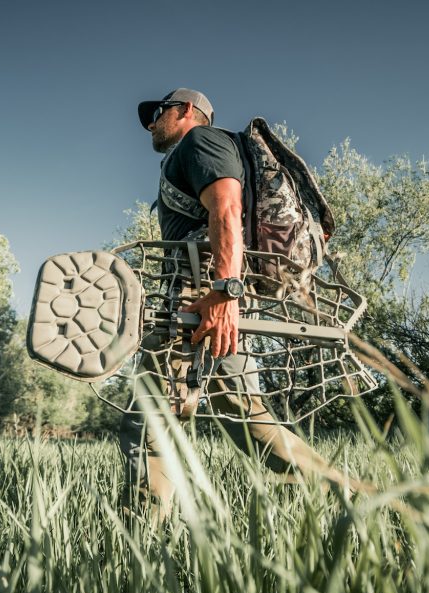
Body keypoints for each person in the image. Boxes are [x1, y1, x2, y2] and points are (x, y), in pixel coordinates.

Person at [120, 88, 329, 514]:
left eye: (157, 113)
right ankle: (340, 496)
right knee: (242, 414)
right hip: (210, 295)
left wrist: (224, 292)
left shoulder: (202, 142)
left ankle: (137, 546)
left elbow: (227, 209)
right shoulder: (198, 151)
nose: (150, 123)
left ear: (186, 111)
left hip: (202, 296)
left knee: (151, 415)